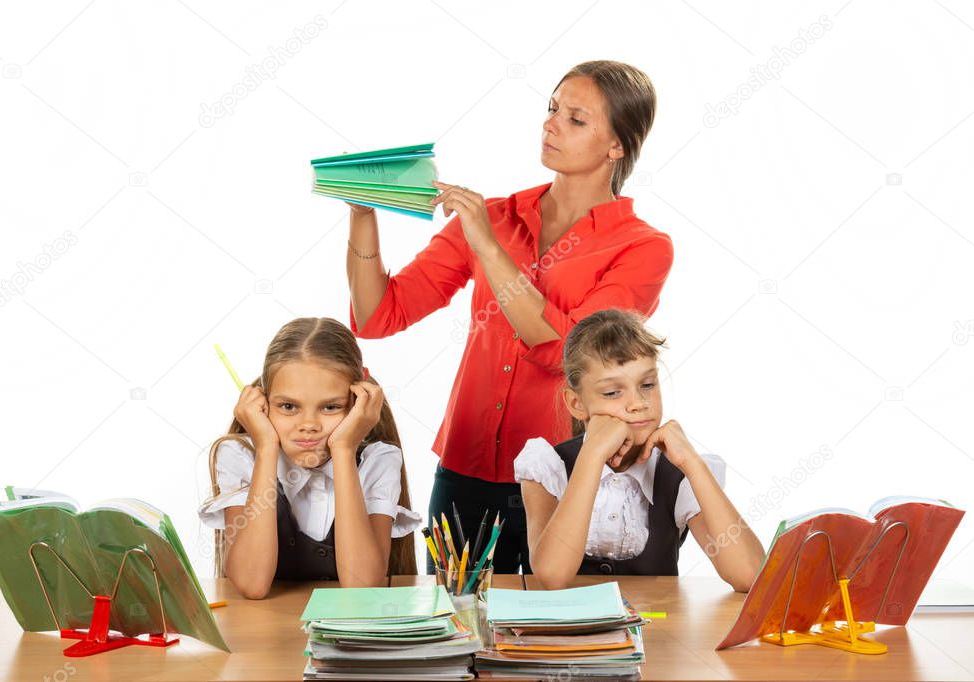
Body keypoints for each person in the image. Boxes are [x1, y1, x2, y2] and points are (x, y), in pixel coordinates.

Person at [344, 61, 674, 573]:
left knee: (552, 633)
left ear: (617, 146)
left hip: (563, 476)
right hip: (465, 469)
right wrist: (364, 212)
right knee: (457, 627)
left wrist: (486, 245)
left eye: (576, 118)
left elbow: (566, 354)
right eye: (551, 108)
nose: (550, 124)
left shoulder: (642, 247)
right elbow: (377, 316)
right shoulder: (495, 216)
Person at [516, 309, 764, 591]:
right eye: (612, 392)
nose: (638, 403)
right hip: (568, 635)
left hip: (658, 633)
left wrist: (693, 464)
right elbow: (552, 575)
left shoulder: (677, 475)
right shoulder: (547, 467)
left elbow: (749, 575)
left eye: (647, 385)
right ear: (576, 404)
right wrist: (593, 455)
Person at [198, 317, 419, 598]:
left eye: (330, 407)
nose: (309, 424)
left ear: (356, 403)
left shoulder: (378, 460)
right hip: (266, 637)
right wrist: (266, 446)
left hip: (345, 635)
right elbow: (251, 584)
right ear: (264, 404)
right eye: (288, 406)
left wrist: (343, 450)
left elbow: (362, 588)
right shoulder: (241, 454)